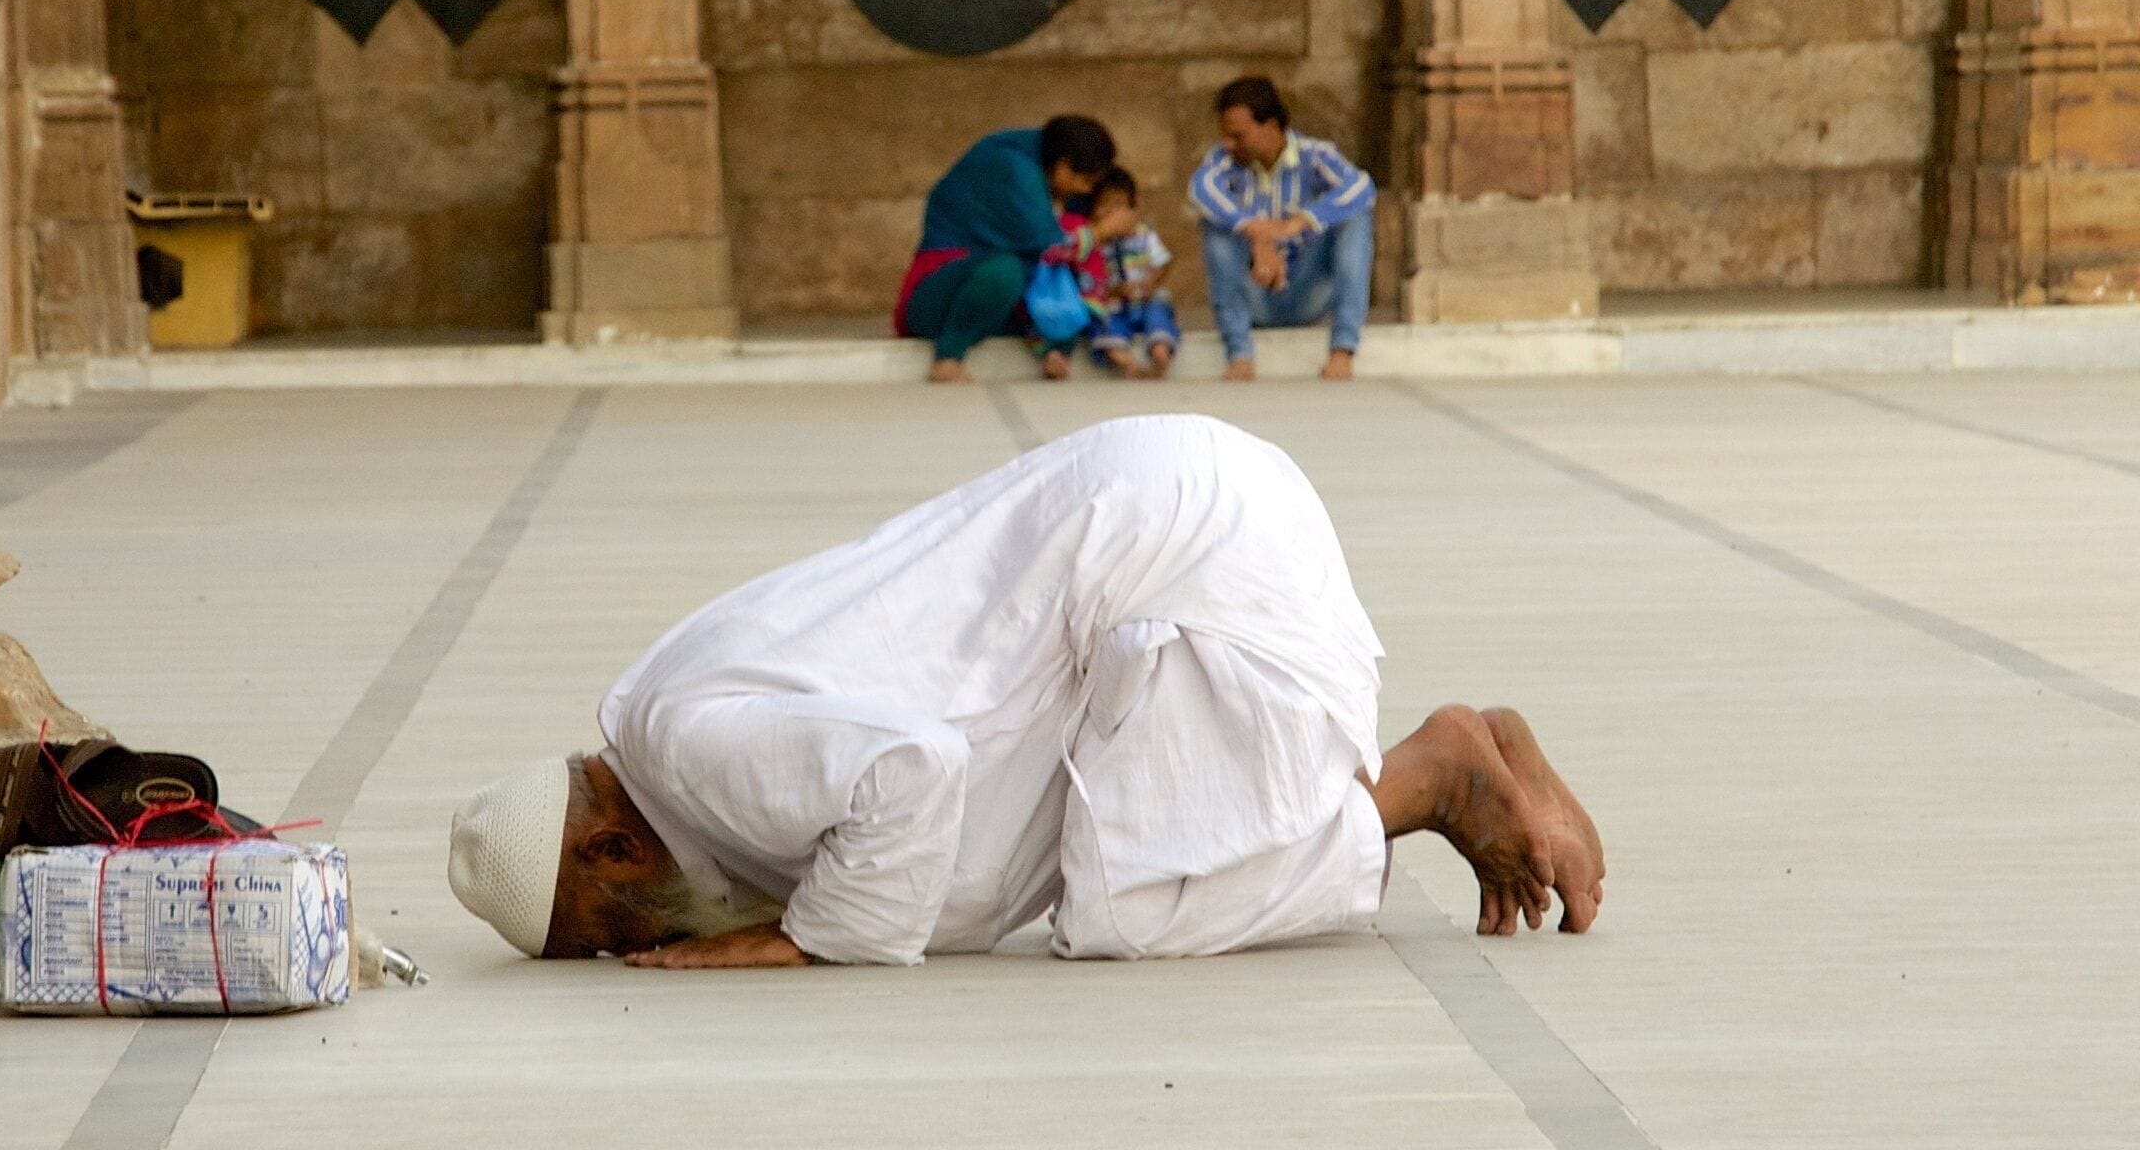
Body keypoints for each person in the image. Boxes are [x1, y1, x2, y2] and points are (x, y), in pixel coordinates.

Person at [444, 413, 1602, 968]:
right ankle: (1427, 762)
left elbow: (913, 769)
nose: (619, 956)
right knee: (1164, 841)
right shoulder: (664, 720)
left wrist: (804, 944)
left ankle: (1430, 777)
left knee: (1128, 910)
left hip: (1182, 550)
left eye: (594, 936)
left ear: (608, 855)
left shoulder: (688, 749)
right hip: (1180, 506)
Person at [895, 116, 1113, 385]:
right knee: (1006, 271)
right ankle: (947, 358)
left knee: (1069, 291)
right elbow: (1050, 248)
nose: (1086, 190)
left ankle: (1054, 354)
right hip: (936, 301)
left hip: (999, 307)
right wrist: (1100, 233)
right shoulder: (1013, 167)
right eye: (1086, 180)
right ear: (1064, 167)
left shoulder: (1043, 166)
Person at [1186, 74, 1375, 382]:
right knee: (1216, 229)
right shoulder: (1224, 161)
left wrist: (1294, 225)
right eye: (1226, 135)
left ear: (1271, 127)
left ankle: (1342, 349)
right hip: (1253, 293)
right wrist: (1256, 232)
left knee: (1355, 218)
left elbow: (1361, 187)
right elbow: (1201, 189)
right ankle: (1239, 353)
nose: (1228, 143)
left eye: (1239, 135)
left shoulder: (1315, 155)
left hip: (1309, 289)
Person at [1075, 170, 1178, 378]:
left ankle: (1160, 354)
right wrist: (1114, 290)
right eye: (1104, 205)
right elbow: (1090, 279)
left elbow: (1163, 262)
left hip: (1146, 300)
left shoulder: (1143, 234)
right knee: (1105, 324)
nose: (1111, 212)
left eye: (1118, 206)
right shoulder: (1094, 241)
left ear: (1133, 209)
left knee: (1159, 316)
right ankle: (1126, 362)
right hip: (1113, 304)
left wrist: (1152, 282)